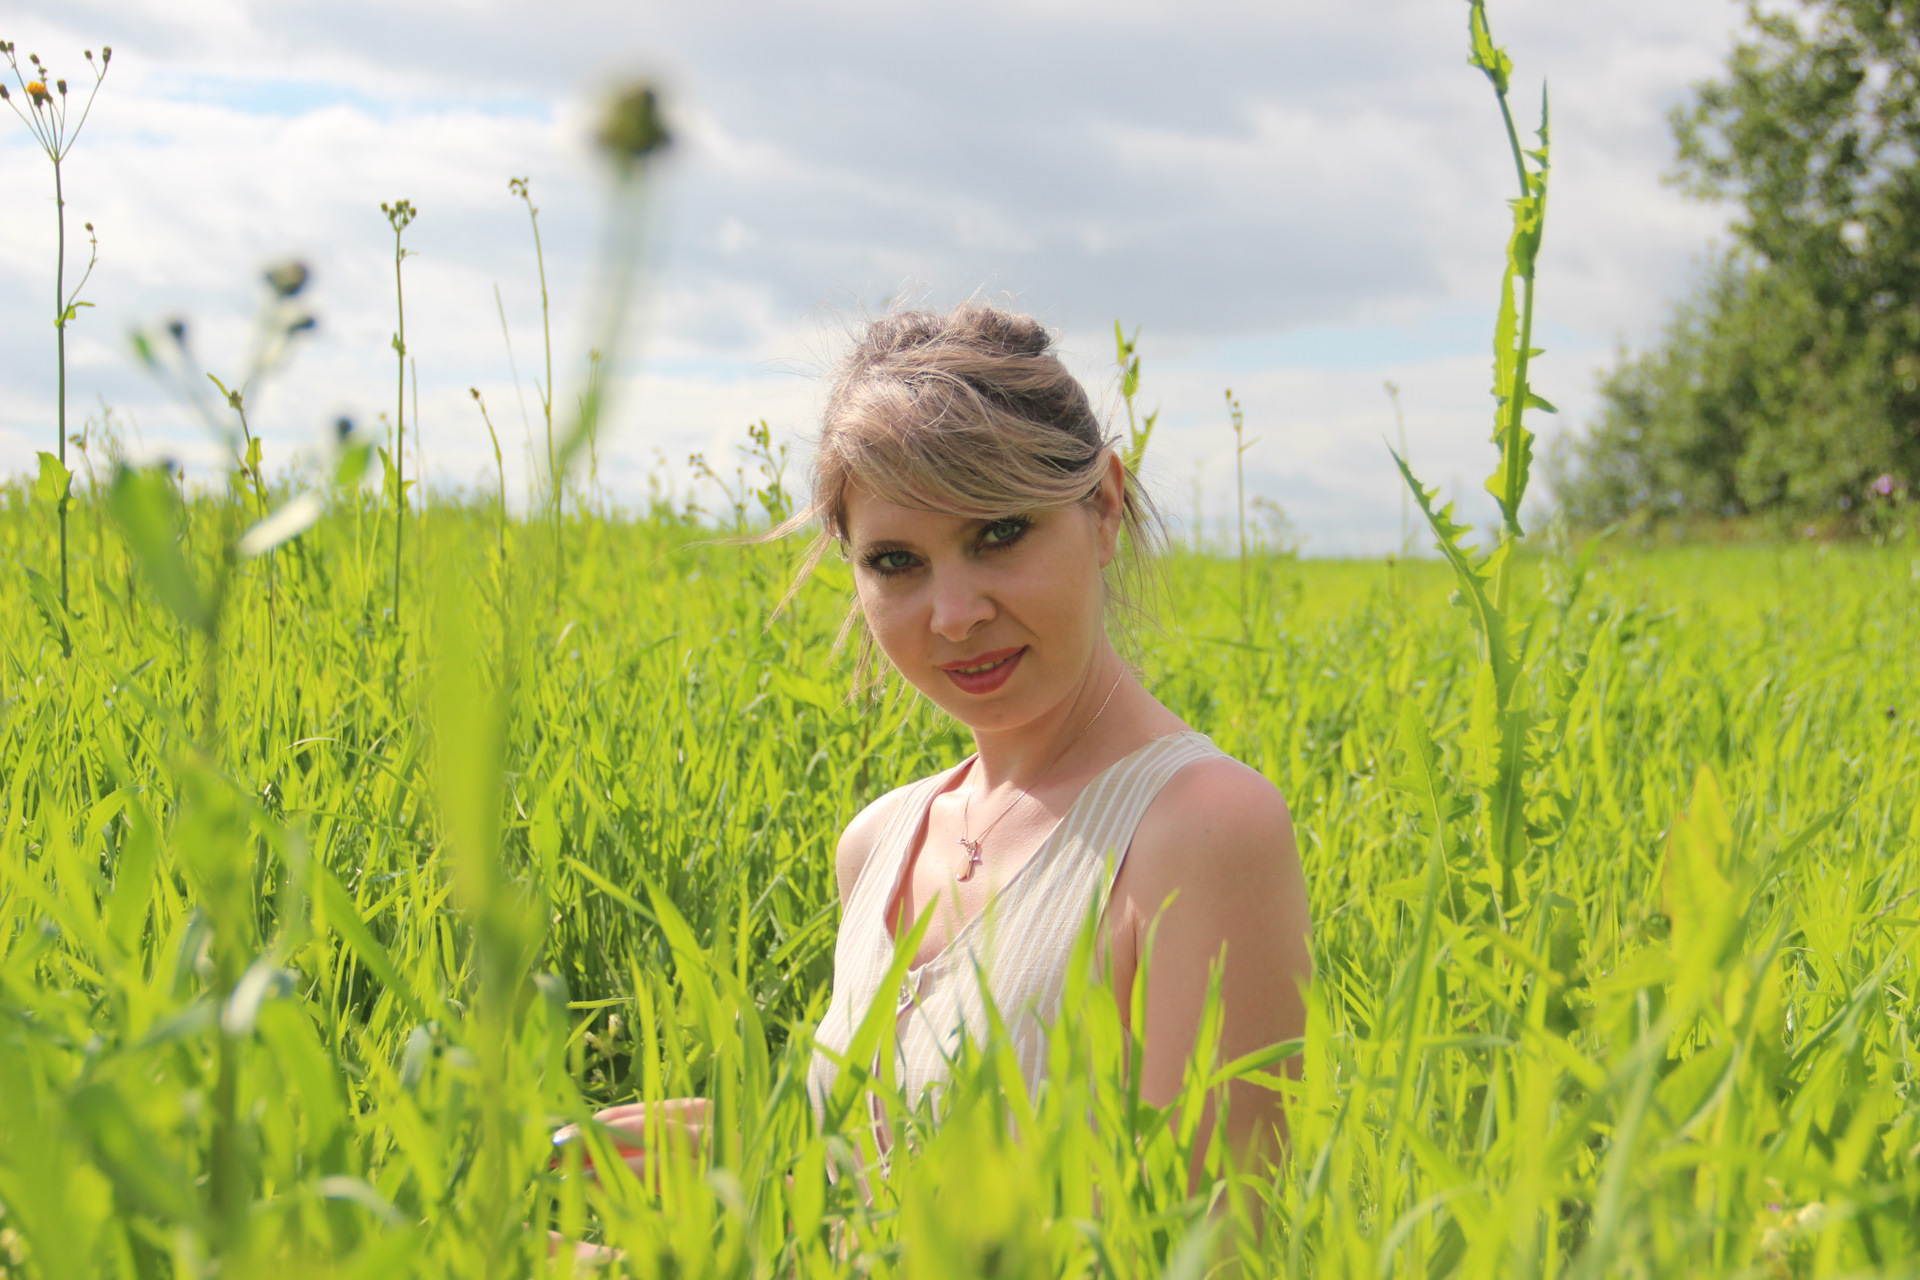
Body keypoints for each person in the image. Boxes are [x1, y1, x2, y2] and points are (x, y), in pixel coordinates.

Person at [568, 302, 1312, 1189]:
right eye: (896, 562)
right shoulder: (879, 843)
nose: (955, 615)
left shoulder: (1203, 830)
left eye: (998, 533)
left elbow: (1206, 1247)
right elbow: (888, 1197)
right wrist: (769, 1161)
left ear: (1105, 507)